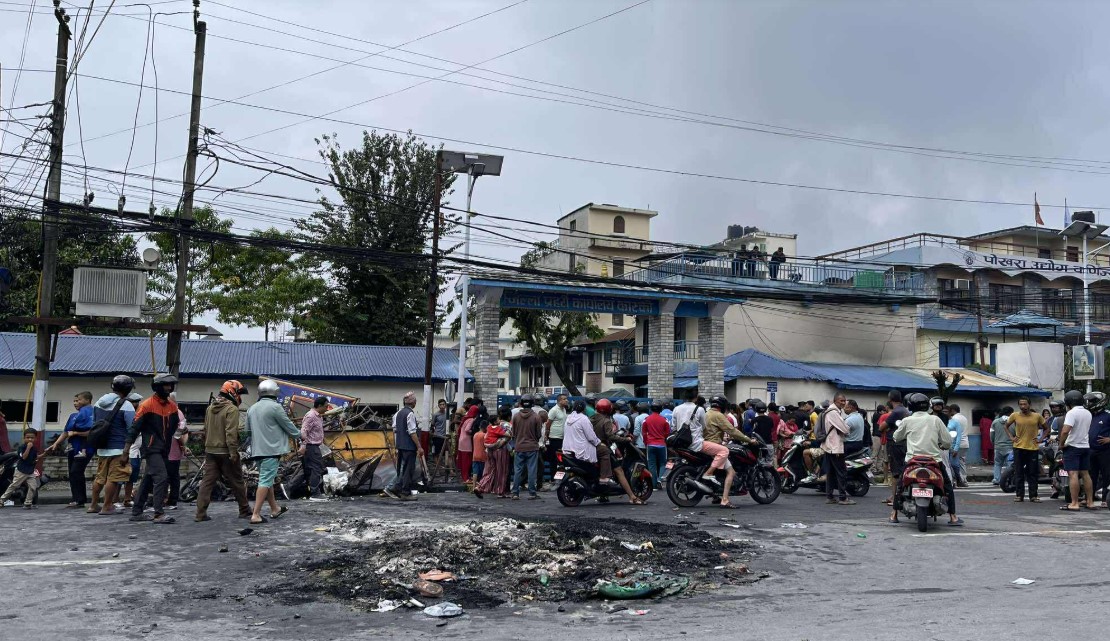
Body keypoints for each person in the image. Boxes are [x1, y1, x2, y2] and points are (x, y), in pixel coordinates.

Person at [890, 392, 963, 526]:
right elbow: (947, 441)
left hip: (912, 460)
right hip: (933, 460)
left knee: (901, 484)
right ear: (928, 406)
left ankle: (894, 514)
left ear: (910, 406)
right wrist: (944, 445)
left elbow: (896, 437)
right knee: (947, 486)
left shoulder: (907, 420)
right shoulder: (935, 420)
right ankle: (953, 516)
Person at [126, 374, 181, 525]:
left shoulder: (172, 406)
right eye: (165, 385)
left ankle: (137, 511)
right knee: (161, 477)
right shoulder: (147, 405)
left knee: (148, 479)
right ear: (157, 387)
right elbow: (134, 428)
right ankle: (159, 513)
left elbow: (174, 427)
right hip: (151, 448)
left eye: (170, 385)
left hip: (164, 449)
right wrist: (126, 450)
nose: (169, 388)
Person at [195, 381, 251, 522]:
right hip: (226, 451)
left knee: (207, 482)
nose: (240, 397)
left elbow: (206, 429)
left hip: (210, 451)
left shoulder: (210, 408)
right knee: (237, 481)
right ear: (232, 393)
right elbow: (230, 433)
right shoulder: (231, 409)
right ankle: (244, 510)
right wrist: (233, 452)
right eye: (239, 393)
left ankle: (200, 514)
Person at [246, 379, 300, 522]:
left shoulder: (252, 409)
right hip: (271, 451)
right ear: (275, 392)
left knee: (267, 480)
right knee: (265, 481)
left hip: (257, 451)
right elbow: (288, 426)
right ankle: (256, 514)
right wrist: (300, 434)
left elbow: (248, 431)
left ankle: (274, 509)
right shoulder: (275, 407)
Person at [87, 376, 137, 515]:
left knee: (100, 477)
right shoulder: (126, 405)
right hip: (119, 448)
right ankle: (107, 506)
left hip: (102, 447)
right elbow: (131, 428)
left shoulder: (99, 402)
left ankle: (93, 505)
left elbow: (95, 422)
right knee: (113, 478)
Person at [43, 391, 95, 508]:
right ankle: (76, 499)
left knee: (76, 471)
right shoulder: (73, 416)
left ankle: (80, 500)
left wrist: (76, 433)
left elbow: (92, 431)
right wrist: (55, 444)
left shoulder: (91, 414)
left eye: (78, 400)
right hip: (72, 448)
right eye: (74, 401)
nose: (75, 403)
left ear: (87, 400)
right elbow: (66, 432)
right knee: (72, 472)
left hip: (85, 447)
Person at [704, 396, 755, 509]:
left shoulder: (707, 414)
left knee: (722, 470)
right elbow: (732, 431)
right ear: (722, 406)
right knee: (731, 472)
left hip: (706, 444)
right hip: (714, 446)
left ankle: (716, 496)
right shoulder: (718, 415)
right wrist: (748, 440)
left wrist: (723, 438)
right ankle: (725, 500)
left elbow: (711, 431)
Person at [589, 398, 643, 504]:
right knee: (619, 471)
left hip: (592, 448)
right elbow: (611, 436)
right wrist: (626, 439)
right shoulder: (606, 421)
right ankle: (632, 497)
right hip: (604, 447)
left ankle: (603, 495)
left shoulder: (592, 418)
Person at [1006, 397, 1049, 503]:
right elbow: (1006, 426)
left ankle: (1033, 496)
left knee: (1032, 473)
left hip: (1032, 448)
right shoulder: (1015, 415)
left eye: (1025, 404)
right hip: (1018, 447)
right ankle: (1019, 495)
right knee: (1019, 472)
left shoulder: (1037, 416)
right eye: (1021, 404)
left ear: (1029, 405)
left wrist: (1041, 439)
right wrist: (1011, 437)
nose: (1023, 406)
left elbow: (1047, 429)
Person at [1059, 389, 1096, 512]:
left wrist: (1061, 444)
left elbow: (1065, 431)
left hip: (1072, 447)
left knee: (1073, 474)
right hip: (1085, 446)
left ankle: (1074, 503)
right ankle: (1090, 502)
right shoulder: (1088, 413)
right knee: (1085, 474)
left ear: (1068, 402)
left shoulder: (1071, 413)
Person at [384, 392, 422, 501]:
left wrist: (397, 445)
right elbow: (412, 432)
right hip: (409, 446)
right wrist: (419, 446)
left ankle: (397, 488)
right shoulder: (410, 414)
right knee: (408, 470)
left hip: (400, 446)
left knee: (402, 469)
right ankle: (405, 492)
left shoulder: (398, 413)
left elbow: (395, 430)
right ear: (413, 403)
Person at [820, 395, 854, 506]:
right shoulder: (833, 412)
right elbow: (845, 429)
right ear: (835, 401)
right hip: (835, 447)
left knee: (831, 473)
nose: (843, 403)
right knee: (841, 472)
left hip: (829, 446)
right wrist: (847, 429)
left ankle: (830, 496)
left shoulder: (831, 411)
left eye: (844, 401)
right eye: (841, 401)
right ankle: (842, 497)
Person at [474, 405, 513, 499]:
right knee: (501, 471)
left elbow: (486, 437)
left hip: (489, 450)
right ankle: (500, 491)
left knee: (490, 470)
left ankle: (480, 486)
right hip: (501, 450)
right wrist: (498, 445)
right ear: (509, 416)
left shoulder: (491, 425)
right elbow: (507, 438)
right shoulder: (507, 425)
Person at [510, 394, 543, 500]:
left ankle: (515, 493)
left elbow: (514, 432)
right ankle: (532, 493)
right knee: (532, 470)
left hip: (519, 446)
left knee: (518, 470)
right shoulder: (536, 417)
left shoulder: (516, 416)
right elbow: (538, 434)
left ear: (521, 403)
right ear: (532, 403)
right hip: (532, 447)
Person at [0, 429, 40, 508]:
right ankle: (1, 500)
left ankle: (28, 503)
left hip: (30, 471)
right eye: (27, 437)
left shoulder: (34, 449)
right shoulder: (22, 447)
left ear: (35, 439)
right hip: (21, 471)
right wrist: (28, 448)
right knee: (14, 486)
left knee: (33, 487)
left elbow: (35, 458)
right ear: (24, 438)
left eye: (32, 438)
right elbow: (24, 457)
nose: (30, 439)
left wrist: (44, 454)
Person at [299, 396, 328, 501]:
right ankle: (315, 493)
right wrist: (303, 445)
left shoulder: (319, 416)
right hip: (311, 446)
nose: (327, 408)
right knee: (316, 468)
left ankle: (315, 492)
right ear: (319, 405)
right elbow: (304, 431)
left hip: (316, 446)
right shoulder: (311, 416)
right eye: (325, 406)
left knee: (316, 468)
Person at [164, 394, 189, 510]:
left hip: (171, 451)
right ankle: (170, 500)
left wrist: (183, 446)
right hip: (171, 451)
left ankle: (170, 500)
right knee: (172, 476)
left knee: (170, 476)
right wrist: (183, 446)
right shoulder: (178, 413)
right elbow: (183, 432)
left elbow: (179, 434)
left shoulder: (177, 413)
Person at [1086, 392, 1110, 507]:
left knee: (1107, 475)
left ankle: (1105, 499)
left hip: (1105, 450)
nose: (1090, 403)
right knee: (1091, 475)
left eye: (1092, 401)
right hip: (1090, 450)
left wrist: (1109, 439)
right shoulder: (1089, 415)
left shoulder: (1108, 415)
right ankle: (1089, 498)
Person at [642, 402, 670, 489]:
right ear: (660, 410)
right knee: (663, 463)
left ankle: (654, 485)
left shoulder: (646, 419)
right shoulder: (664, 420)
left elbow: (644, 433)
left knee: (652, 465)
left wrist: (646, 442)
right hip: (661, 444)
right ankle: (659, 480)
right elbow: (667, 432)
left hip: (650, 444)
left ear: (651, 409)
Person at [990, 406, 1014, 486]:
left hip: (998, 446)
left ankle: (997, 479)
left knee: (997, 464)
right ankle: (1009, 479)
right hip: (1010, 447)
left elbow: (991, 435)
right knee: (1010, 464)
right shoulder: (1014, 422)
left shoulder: (995, 422)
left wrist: (994, 443)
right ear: (1011, 413)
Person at [456, 404, 478, 484]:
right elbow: (467, 429)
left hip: (461, 441)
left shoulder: (465, 418)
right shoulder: (471, 419)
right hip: (466, 442)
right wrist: (473, 432)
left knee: (463, 461)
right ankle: (466, 478)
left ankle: (464, 477)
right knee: (467, 461)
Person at [947, 407, 968, 489]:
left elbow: (958, 436)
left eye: (946, 411)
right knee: (946, 465)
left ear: (950, 412)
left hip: (953, 447)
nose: (945, 413)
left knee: (954, 465)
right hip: (943, 447)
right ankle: (951, 482)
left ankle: (959, 480)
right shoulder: (940, 421)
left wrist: (956, 448)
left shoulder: (955, 422)